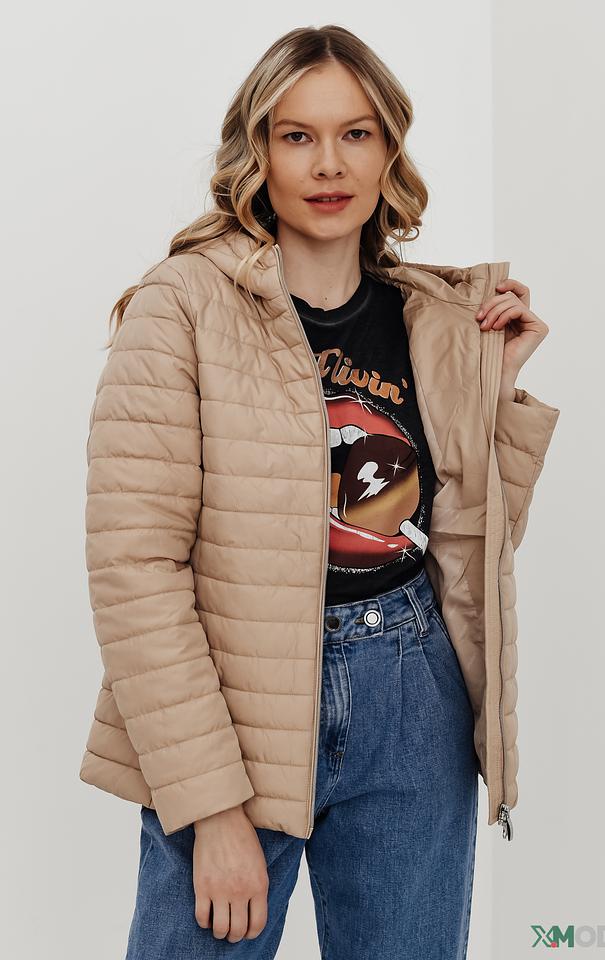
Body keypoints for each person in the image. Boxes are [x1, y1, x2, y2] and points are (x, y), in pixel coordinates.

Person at [78, 24, 560, 959]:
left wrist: (498, 392)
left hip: (413, 696)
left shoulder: (432, 318)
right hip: (238, 701)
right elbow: (135, 569)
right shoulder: (182, 306)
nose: (328, 164)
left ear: (388, 151)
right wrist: (212, 807)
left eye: (356, 134)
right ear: (258, 152)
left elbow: (471, 552)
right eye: (297, 135)